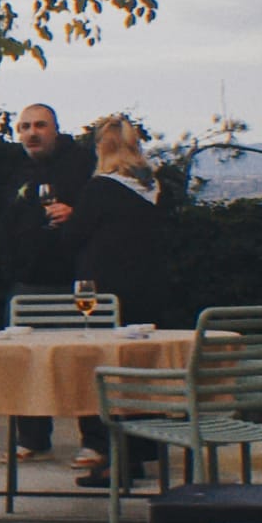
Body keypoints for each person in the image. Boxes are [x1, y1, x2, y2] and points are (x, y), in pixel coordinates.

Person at [62, 114, 172, 489]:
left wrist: (65, 219)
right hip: (149, 288)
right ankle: (138, 451)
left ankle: (112, 456)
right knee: (137, 370)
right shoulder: (155, 190)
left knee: (104, 370)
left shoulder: (100, 189)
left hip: (105, 293)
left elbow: (76, 235)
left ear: (102, 149)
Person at [1, 103, 101, 460]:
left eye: (40, 125)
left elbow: (101, 214)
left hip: (74, 281)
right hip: (28, 281)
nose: (32, 132)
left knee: (85, 363)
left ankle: (95, 441)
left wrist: (75, 215)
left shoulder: (82, 165)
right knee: (25, 364)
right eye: (24, 126)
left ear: (55, 129)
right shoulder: (18, 170)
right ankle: (31, 438)